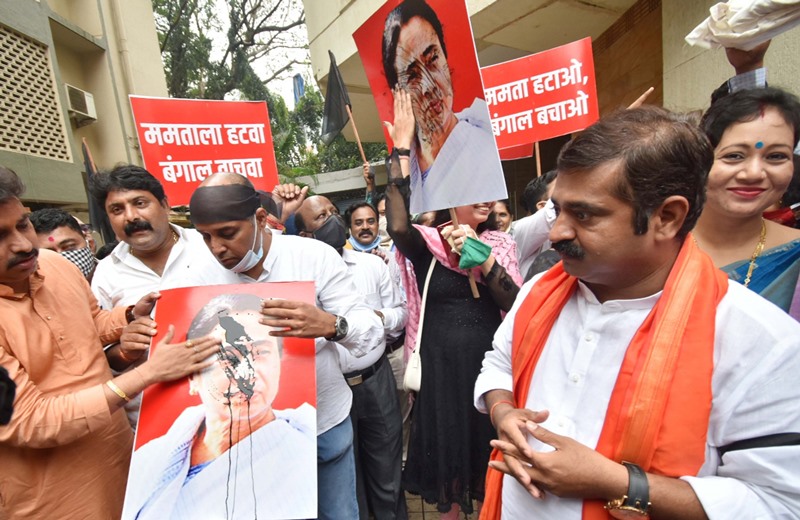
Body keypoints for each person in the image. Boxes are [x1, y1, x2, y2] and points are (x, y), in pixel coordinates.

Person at [474, 107, 800, 519]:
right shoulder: (540, 291)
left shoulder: (760, 341)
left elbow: (779, 504)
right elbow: (499, 363)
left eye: (585, 214)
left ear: (667, 217)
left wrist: (619, 483)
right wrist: (503, 411)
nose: (556, 233)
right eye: (557, 211)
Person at [0, 165, 222, 519]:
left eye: (23, 224)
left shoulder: (55, 265)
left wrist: (129, 317)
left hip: (129, 469)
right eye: (0, 236)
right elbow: (30, 421)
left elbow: (91, 322)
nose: (25, 244)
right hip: (53, 499)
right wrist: (146, 374)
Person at [185, 173, 384, 520]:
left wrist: (331, 325)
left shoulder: (313, 257)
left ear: (261, 219)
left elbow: (369, 329)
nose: (217, 248)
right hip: (246, 446)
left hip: (325, 424)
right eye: (206, 237)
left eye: (228, 233)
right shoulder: (199, 277)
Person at [384, 89, 522, 518]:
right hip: (441, 372)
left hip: (488, 370)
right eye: (474, 187)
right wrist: (401, 150)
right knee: (449, 464)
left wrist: (486, 262)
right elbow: (397, 223)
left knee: (487, 459)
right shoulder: (427, 244)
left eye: (489, 188)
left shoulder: (500, 243)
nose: (485, 197)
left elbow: (515, 303)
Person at [123, 293, 317, 520]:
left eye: (261, 353)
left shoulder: (302, 457)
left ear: (279, 364)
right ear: (193, 376)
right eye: (228, 357)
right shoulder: (150, 459)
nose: (247, 374)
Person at [89, 164, 228, 427]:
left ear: (164, 204)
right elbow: (103, 359)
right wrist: (126, 350)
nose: (130, 217)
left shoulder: (209, 248)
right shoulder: (106, 272)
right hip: (153, 423)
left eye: (140, 203)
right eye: (117, 210)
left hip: (227, 407)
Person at [297, 195, 408, 520]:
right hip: (328, 393)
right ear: (304, 235)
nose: (331, 220)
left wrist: (378, 320)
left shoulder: (373, 264)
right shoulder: (298, 279)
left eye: (332, 212)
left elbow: (401, 314)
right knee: (347, 480)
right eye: (320, 217)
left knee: (387, 474)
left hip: (375, 382)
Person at [382, 0, 505, 213]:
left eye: (433, 59)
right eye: (412, 76)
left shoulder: (484, 146)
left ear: (446, 58)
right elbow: (401, 226)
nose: (429, 85)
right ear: (397, 92)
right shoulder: (405, 159)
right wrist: (401, 148)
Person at [694, 87, 800, 319]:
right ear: (700, 159)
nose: (753, 173)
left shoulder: (794, 258)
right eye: (734, 155)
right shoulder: (654, 243)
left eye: (776, 156)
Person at [29, 207, 97, 280]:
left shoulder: (109, 275)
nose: (62, 257)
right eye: (49, 253)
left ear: (90, 245)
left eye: (69, 246)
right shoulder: (37, 288)